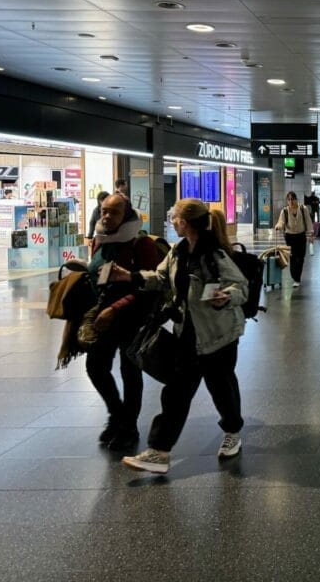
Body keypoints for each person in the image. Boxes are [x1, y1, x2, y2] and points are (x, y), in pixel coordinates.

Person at [118, 201, 248, 474]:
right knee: (176, 394)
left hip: (218, 336)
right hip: (187, 336)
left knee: (222, 389)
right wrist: (130, 276)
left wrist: (227, 296)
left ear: (185, 223)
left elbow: (241, 287)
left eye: (173, 217)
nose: (172, 222)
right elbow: (161, 277)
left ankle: (233, 431)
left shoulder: (215, 256)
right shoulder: (177, 253)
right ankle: (159, 451)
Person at [85, 193, 164, 449]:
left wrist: (115, 308)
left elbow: (149, 285)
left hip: (132, 318)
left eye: (113, 212)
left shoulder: (139, 244)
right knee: (96, 367)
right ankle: (116, 415)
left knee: (130, 372)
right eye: (103, 211)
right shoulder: (101, 241)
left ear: (127, 215)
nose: (106, 216)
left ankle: (129, 426)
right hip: (103, 319)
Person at [275, 191, 314, 288]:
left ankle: (297, 278)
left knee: (300, 257)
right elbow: (281, 221)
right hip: (290, 237)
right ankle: (294, 276)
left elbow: (308, 221)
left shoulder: (302, 208)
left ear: (296, 199)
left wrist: (311, 233)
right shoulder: (284, 211)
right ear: (287, 201)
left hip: (301, 236)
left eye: (292, 199)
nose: (291, 201)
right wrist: (278, 226)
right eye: (289, 199)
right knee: (293, 257)